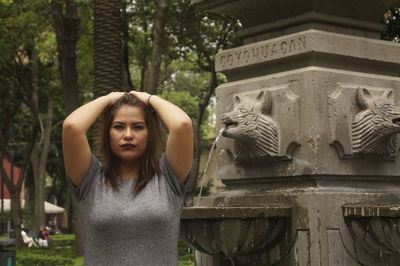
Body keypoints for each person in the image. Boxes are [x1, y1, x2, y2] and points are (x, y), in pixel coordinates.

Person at [62, 91, 193, 266]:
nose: (128, 135)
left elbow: (182, 125)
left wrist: (149, 98)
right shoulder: (89, 178)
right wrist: (107, 99)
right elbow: (72, 127)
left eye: (138, 127)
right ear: (108, 133)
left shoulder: (169, 176)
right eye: (118, 127)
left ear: (149, 133)